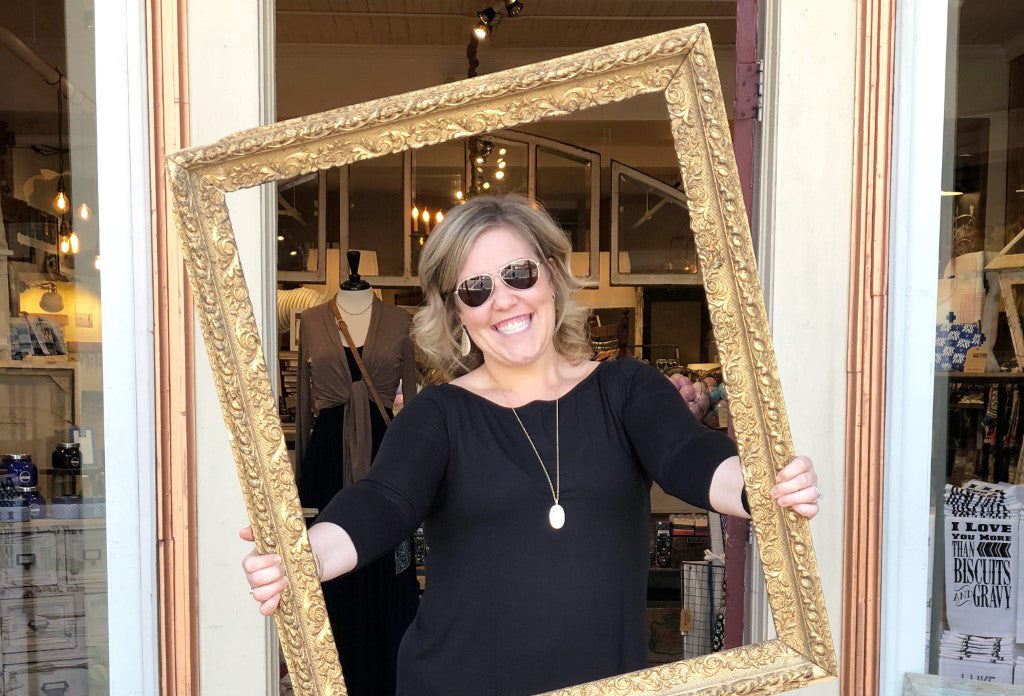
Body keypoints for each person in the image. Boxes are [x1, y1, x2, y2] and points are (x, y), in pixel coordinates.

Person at [241, 195, 822, 696]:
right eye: (475, 288)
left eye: (519, 273)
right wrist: (305, 554)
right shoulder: (438, 416)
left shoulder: (624, 390)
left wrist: (759, 486)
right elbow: (384, 500)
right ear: (457, 313)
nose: (504, 300)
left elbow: (684, 455)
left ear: (551, 275)